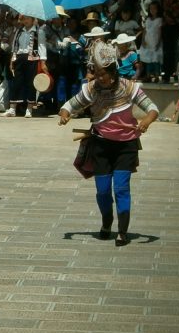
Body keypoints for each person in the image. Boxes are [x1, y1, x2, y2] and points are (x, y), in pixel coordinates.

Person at [58, 39, 159, 246]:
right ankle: (106, 221)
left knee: (121, 188)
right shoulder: (91, 89)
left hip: (126, 146)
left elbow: (153, 108)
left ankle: (122, 231)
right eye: (97, 73)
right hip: (101, 145)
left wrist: (146, 122)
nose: (100, 78)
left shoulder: (128, 87)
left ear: (114, 71)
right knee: (103, 190)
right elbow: (69, 105)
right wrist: (65, 114)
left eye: (104, 73)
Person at [3, 15, 46, 118]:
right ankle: (12, 109)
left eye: (27, 18)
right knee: (16, 82)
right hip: (19, 58)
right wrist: (11, 61)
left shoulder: (38, 31)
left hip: (32, 59)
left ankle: (29, 109)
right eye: (24, 19)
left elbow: (42, 46)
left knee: (31, 84)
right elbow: (14, 46)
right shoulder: (19, 31)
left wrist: (43, 62)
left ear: (32, 19)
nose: (25, 21)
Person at [139, 1, 163, 82]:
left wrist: (159, 42)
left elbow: (160, 32)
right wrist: (142, 41)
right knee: (148, 59)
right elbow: (144, 31)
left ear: (158, 9)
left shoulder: (159, 20)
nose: (152, 10)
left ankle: (157, 75)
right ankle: (148, 75)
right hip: (148, 41)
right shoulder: (148, 19)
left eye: (154, 8)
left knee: (155, 59)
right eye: (151, 9)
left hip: (155, 41)